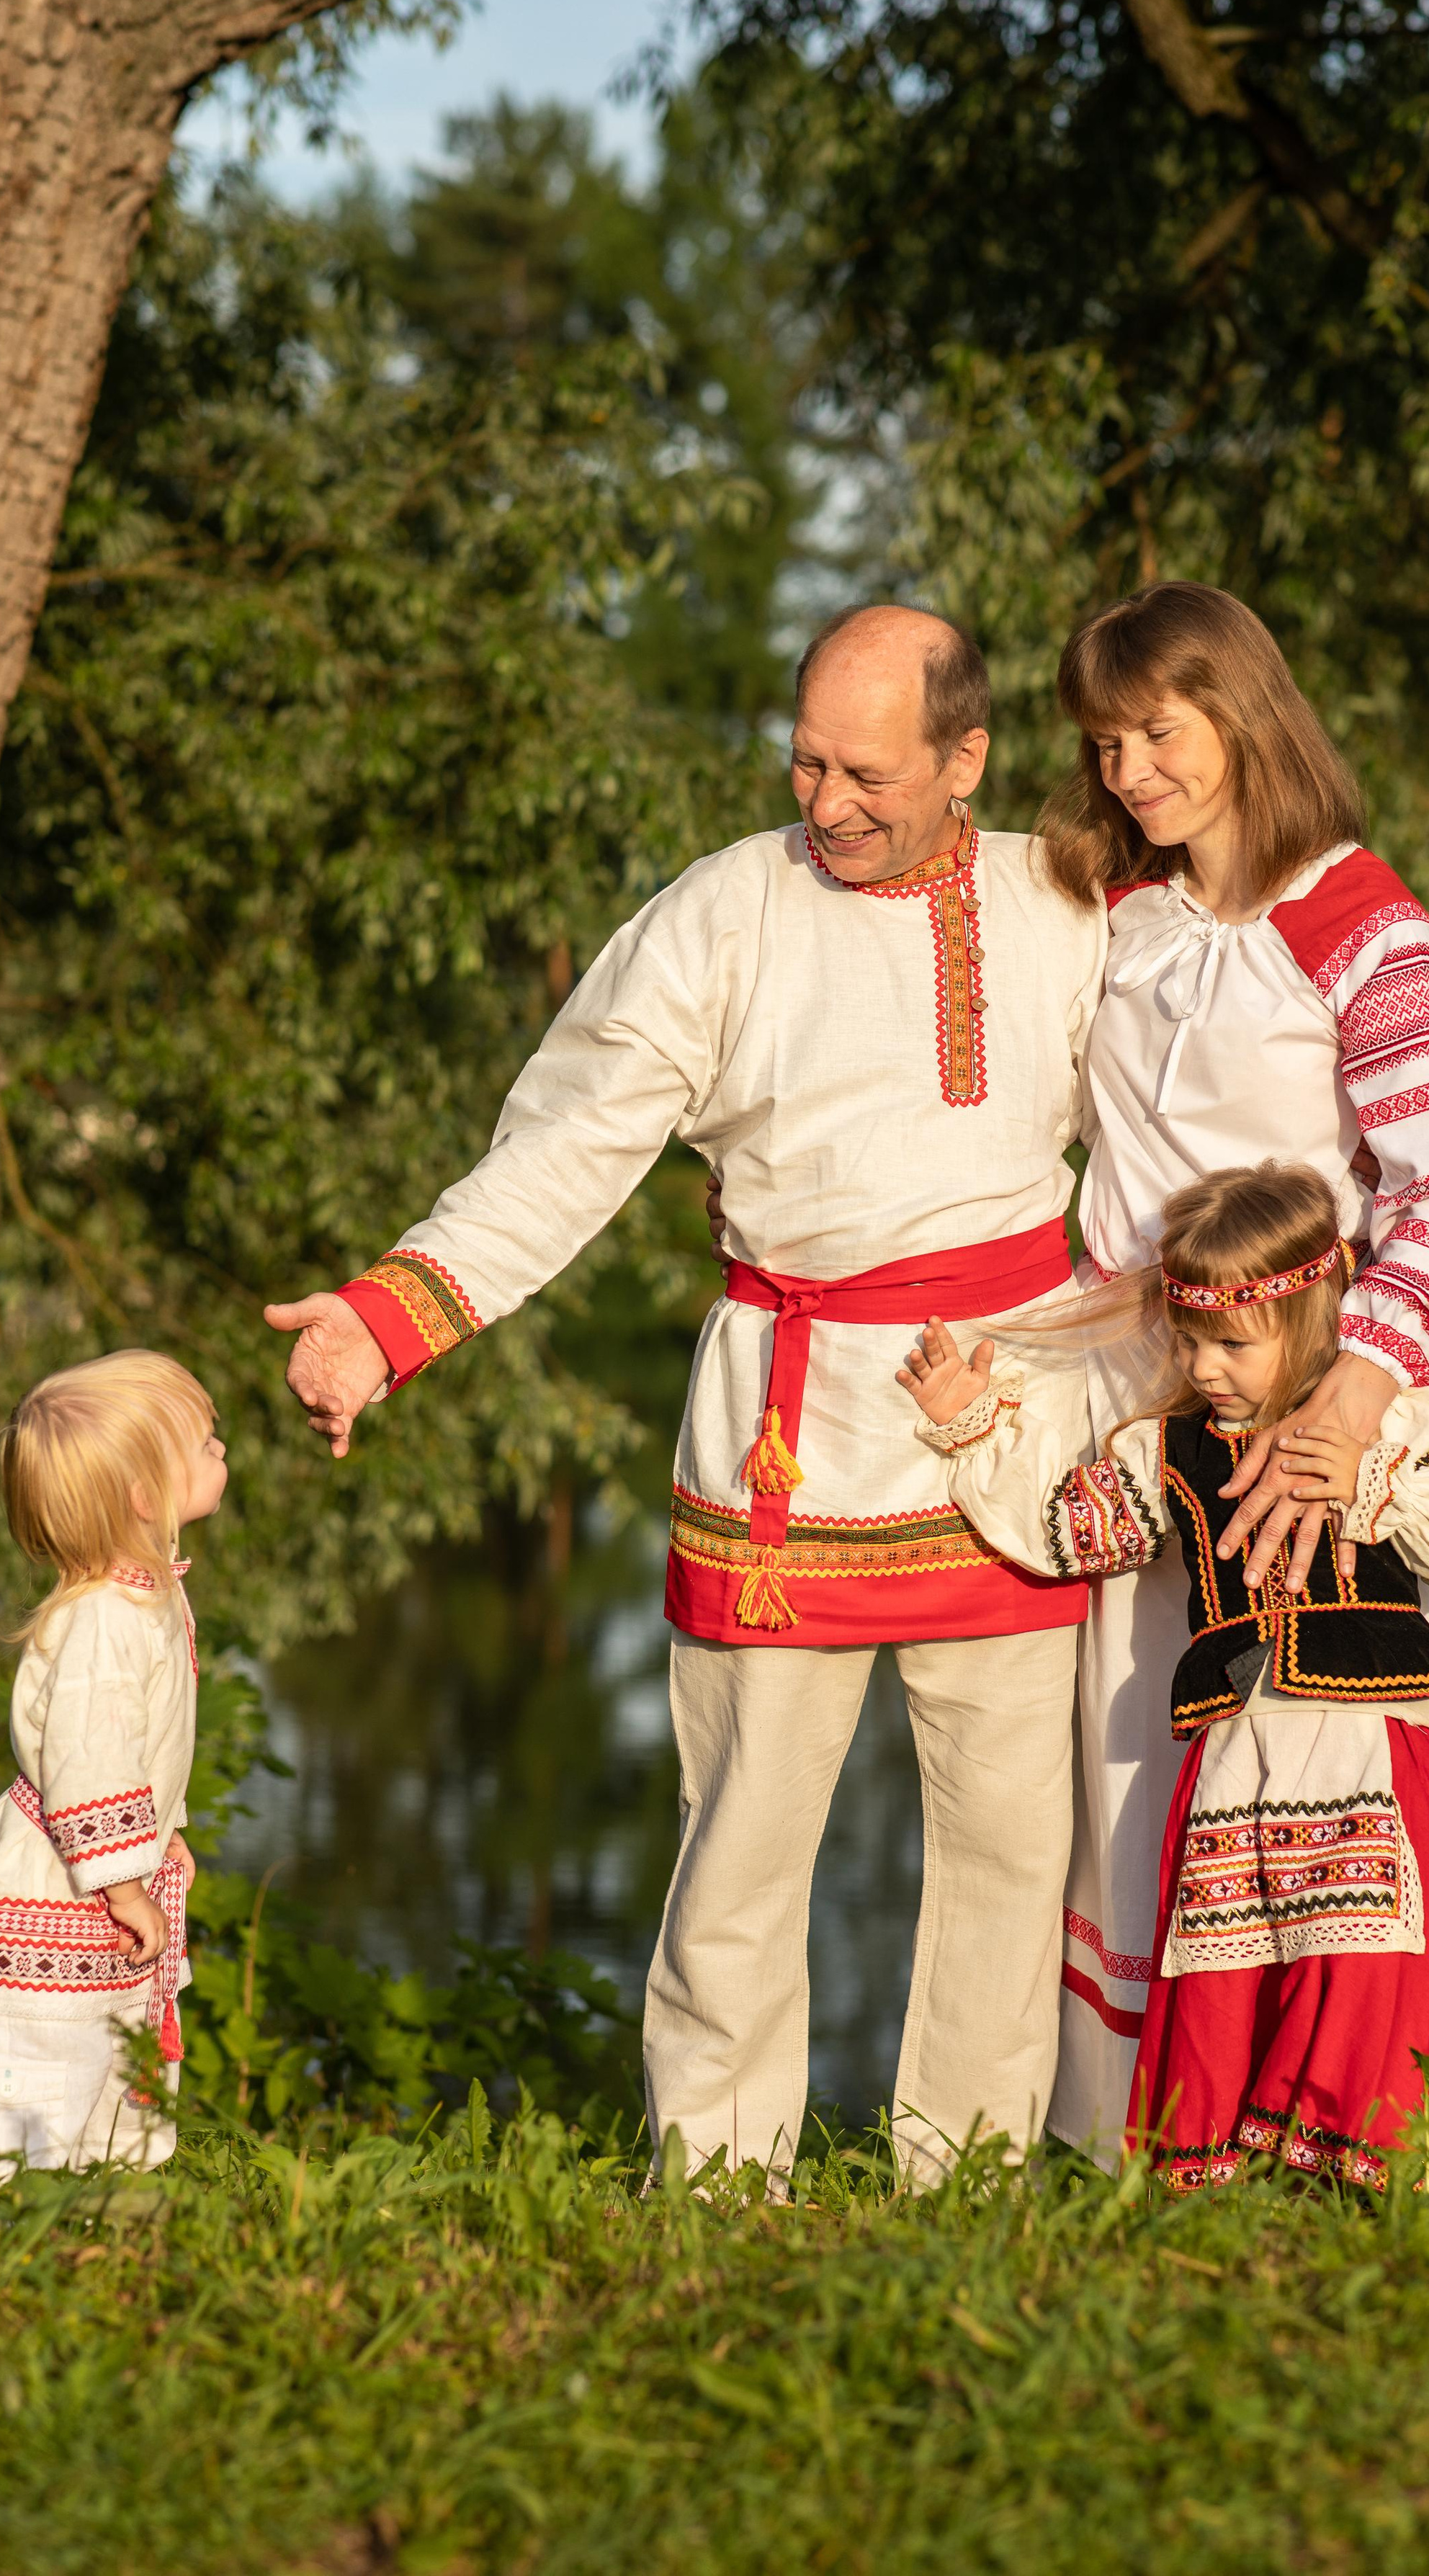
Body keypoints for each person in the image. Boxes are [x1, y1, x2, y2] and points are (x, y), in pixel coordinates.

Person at [266, 604, 1106, 2185]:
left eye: (866, 771)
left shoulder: (1063, 901)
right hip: (783, 1437)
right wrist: (387, 1320)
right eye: (803, 760)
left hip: (1009, 1432)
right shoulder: (724, 912)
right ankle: (719, 2190)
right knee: (737, 1853)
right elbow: (570, 1140)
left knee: (1010, 1849)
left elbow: (1174, 1132)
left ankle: (971, 2186)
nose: (824, 802)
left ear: (964, 758)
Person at [1030, 581, 1429, 2168]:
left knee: (1347, 1750)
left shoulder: (1363, 925)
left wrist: (1351, 1401)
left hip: (1324, 1396)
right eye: (1103, 744)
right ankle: (1158, 2145)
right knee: (1145, 1781)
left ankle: (1379, 2134)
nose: (1126, 774)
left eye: (1155, 733)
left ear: (1240, 715)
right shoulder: (1115, 919)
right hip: (1144, 1400)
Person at [902, 1160, 1429, 2191]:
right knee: (1233, 1962)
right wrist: (974, 1431)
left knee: (1365, 1966)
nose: (1207, 1366)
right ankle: (1229, 2179)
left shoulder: (1401, 1415)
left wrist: (1377, 1487)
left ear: (1314, 1311)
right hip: (1240, 1749)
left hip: (1373, 1741)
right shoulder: (1168, 1452)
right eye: (1189, 1341)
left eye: (1233, 1343)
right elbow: (1063, 1533)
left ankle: (1370, 2176)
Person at [0, 1351, 225, 2184]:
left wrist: (161, 1837)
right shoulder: (105, 1617)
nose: (220, 1451)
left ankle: (92, 2230)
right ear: (143, 1496)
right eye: (204, 1443)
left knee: (107, 2067)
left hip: (94, 1876)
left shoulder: (142, 1595)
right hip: (55, 1893)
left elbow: (139, 1749)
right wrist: (125, 1880)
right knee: (37, 2085)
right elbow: (90, 1761)